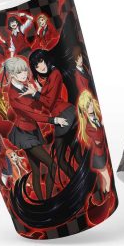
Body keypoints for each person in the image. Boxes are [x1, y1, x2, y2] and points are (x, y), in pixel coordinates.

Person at [0, 57, 66, 200]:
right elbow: (31, 114)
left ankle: (43, 202)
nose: (24, 74)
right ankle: (48, 201)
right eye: (19, 72)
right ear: (12, 75)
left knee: (36, 170)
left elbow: (37, 107)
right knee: (52, 165)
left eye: (25, 70)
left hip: (32, 130)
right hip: (24, 134)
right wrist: (53, 120)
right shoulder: (13, 94)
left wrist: (36, 93)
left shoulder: (24, 87)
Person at [25, 50, 80, 181]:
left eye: (41, 61)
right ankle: (85, 181)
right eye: (36, 66)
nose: (41, 67)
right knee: (75, 151)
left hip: (64, 115)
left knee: (60, 159)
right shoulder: (49, 76)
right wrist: (38, 89)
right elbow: (47, 98)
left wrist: (35, 94)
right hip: (64, 115)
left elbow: (49, 102)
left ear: (46, 59)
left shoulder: (55, 73)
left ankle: (78, 182)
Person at [77, 90, 111, 197]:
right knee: (107, 179)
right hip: (98, 157)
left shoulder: (97, 117)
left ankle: (103, 195)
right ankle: (106, 196)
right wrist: (102, 126)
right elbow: (99, 139)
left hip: (102, 154)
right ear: (84, 109)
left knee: (105, 180)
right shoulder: (88, 126)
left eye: (91, 102)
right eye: (88, 106)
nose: (91, 106)